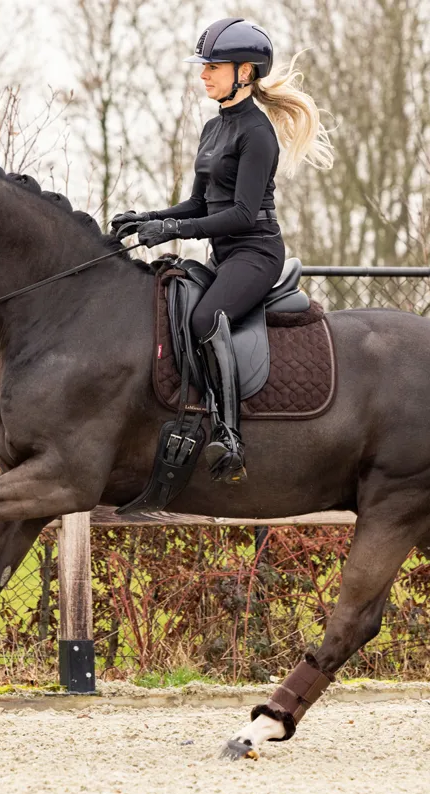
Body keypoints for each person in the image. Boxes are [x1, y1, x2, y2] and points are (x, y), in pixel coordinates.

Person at [110, 17, 334, 483]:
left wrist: (173, 228)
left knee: (203, 318)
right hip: (224, 255)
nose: (203, 74)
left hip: (256, 253)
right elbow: (199, 203)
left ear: (245, 72)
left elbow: (242, 215)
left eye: (213, 66)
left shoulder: (257, 133)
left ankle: (230, 437)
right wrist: (148, 217)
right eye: (204, 66)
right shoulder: (214, 128)